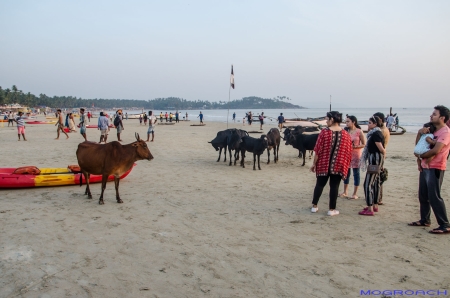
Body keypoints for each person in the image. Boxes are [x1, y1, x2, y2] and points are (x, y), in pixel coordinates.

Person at [409, 105, 450, 233]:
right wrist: (420, 132)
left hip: (436, 167)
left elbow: (435, 150)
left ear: (442, 118)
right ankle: (424, 219)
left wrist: (420, 156)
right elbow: (418, 146)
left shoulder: (445, 132)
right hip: (425, 166)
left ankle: (445, 224)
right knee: (423, 195)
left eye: (434, 114)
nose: (431, 116)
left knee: (434, 196)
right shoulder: (432, 130)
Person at [310, 111, 352, 216]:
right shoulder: (345, 134)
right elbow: (348, 152)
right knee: (334, 187)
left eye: (327, 119)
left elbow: (317, 150)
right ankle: (331, 209)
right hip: (338, 165)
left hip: (323, 164)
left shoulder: (324, 132)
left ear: (332, 120)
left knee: (319, 185)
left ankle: (314, 206)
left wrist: (314, 164)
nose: (326, 122)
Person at [358, 115, 386, 216]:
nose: (368, 125)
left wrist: (382, 162)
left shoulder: (375, 134)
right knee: (375, 183)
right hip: (375, 160)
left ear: (375, 124)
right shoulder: (375, 133)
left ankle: (370, 208)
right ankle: (374, 205)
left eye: (369, 123)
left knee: (368, 184)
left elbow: (382, 149)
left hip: (374, 160)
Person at [340, 115, 366, 200]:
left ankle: (355, 193)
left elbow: (364, 144)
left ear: (353, 122)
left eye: (348, 121)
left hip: (356, 154)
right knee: (346, 173)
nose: (346, 123)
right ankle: (345, 191)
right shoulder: (345, 131)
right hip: (346, 154)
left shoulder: (359, 131)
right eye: (346, 121)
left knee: (356, 173)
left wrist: (355, 147)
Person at [373, 112, 390, 205]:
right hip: (379, 156)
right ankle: (377, 197)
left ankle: (378, 198)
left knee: (377, 177)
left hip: (378, 157)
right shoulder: (382, 130)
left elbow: (381, 147)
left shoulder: (381, 131)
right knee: (376, 176)